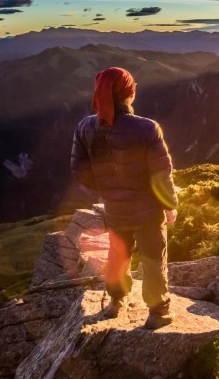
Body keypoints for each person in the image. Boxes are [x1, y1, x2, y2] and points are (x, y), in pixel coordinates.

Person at [71, 67, 179, 329]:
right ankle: (157, 313)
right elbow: (161, 174)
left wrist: (108, 188)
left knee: (118, 255)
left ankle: (115, 302)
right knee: (153, 259)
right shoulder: (147, 128)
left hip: (115, 209)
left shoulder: (86, 126)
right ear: (129, 92)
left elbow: (79, 169)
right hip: (148, 212)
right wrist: (170, 205)